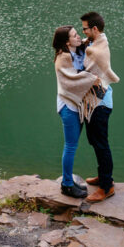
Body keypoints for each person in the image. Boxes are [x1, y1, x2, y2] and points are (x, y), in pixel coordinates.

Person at [79, 11, 119, 203]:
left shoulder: (97, 50)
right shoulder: (96, 41)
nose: (83, 32)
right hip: (96, 101)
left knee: (101, 144)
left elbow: (89, 71)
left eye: (85, 29)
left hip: (100, 103)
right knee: (95, 142)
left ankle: (107, 186)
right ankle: (103, 176)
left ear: (94, 28)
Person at [52, 25, 91, 199]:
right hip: (68, 106)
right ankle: (67, 185)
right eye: (75, 35)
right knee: (70, 146)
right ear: (67, 42)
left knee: (72, 145)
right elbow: (71, 81)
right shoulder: (63, 58)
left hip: (77, 105)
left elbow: (88, 42)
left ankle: (69, 181)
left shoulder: (75, 50)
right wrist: (92, 78)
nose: (79, 37)